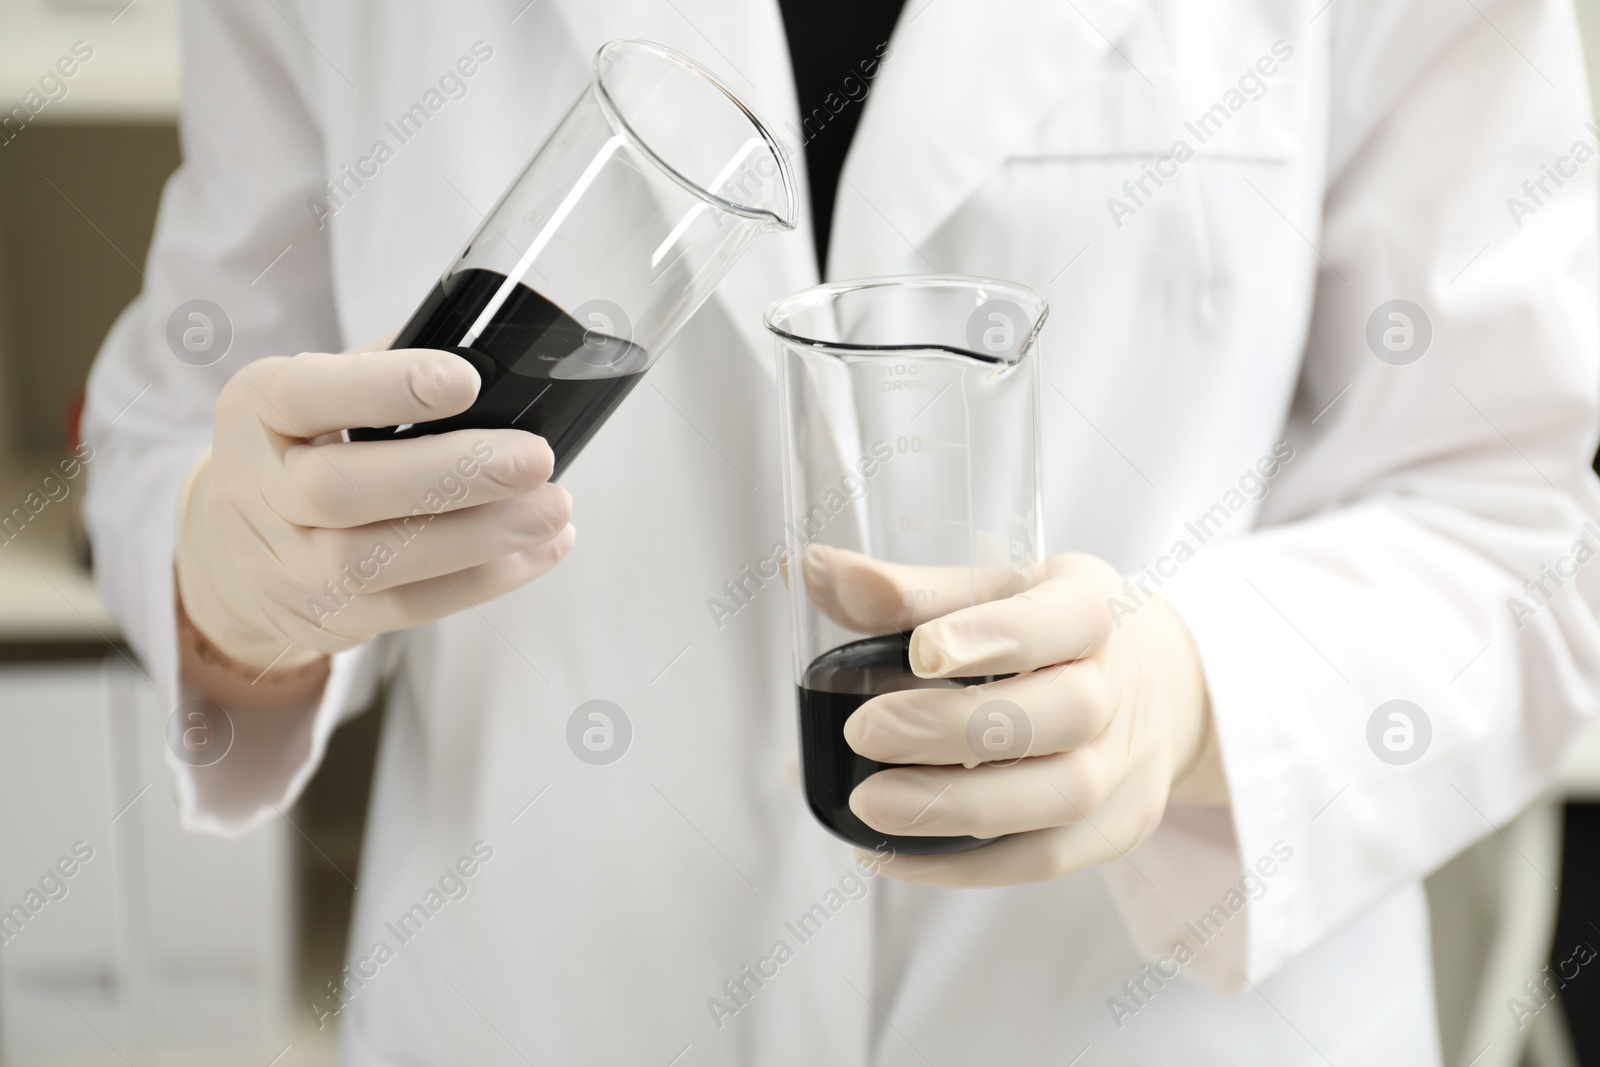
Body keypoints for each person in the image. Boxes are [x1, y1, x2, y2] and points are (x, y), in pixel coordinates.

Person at [83, 0, 1600, 1062]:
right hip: (547, 1001)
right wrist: (234, 589)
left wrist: (1187, 703)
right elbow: (187, 406)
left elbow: (1525, 521)